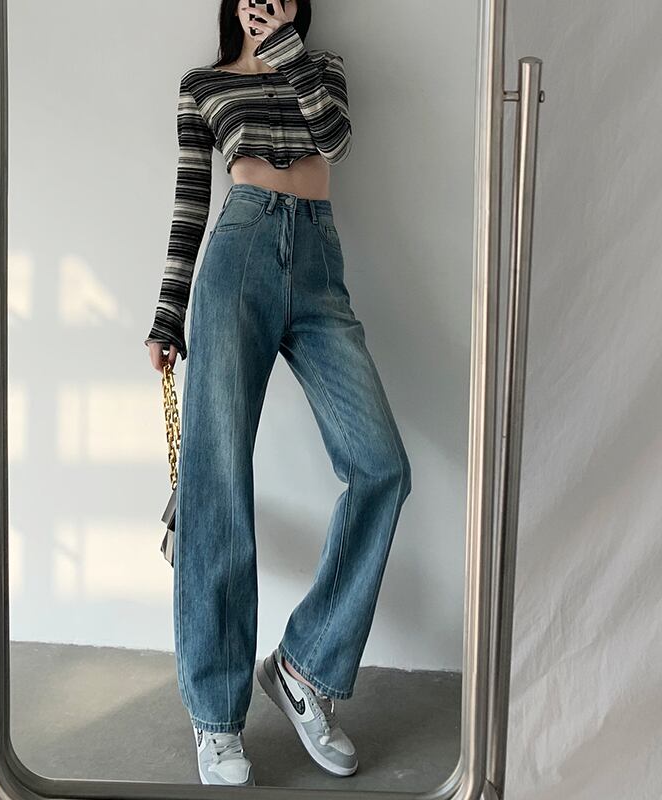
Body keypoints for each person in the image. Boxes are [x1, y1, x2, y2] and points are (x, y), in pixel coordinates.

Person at [145, 0, 412, 787]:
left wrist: (286, 47)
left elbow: (335, 139)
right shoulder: (202, 87)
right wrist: (168, 313)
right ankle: (215, 717)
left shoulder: (322, 68)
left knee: (382, 467)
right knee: (217, 484)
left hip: (319, 264)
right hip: (238, 256)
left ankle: (303, 666)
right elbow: (191, 202)